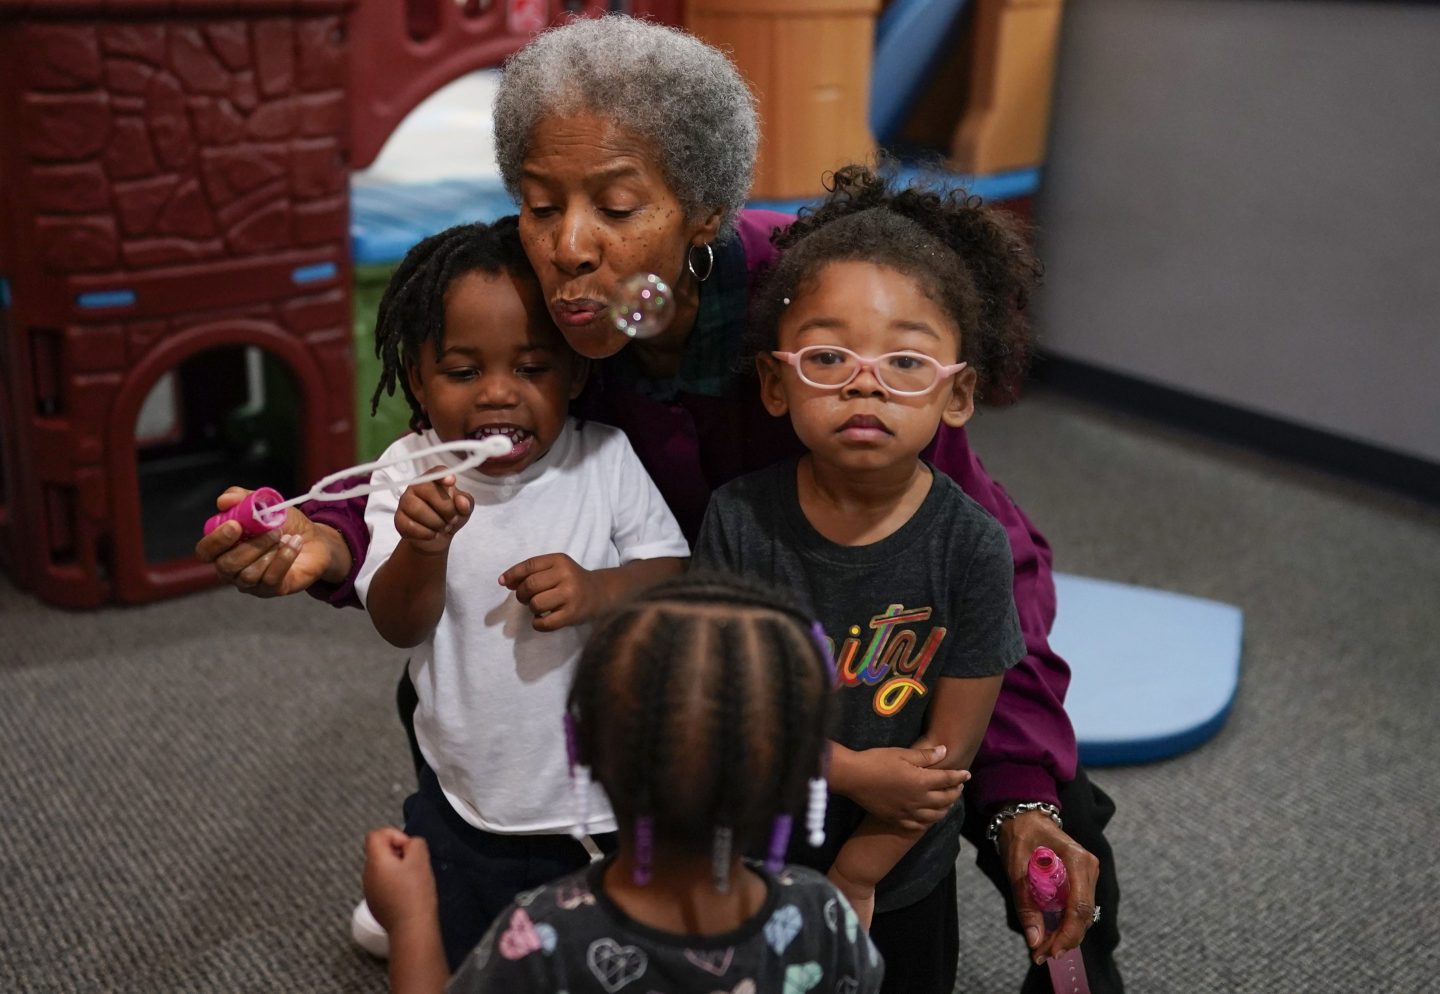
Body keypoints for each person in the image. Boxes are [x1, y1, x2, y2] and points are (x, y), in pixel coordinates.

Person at [194, 16, 1121, 992]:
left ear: (706, 213)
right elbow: (453, 444)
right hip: (700, 665)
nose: (569, 248)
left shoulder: (822, 318)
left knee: (1044, 813)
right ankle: (476, 872)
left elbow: (975, 558)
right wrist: (328, 540)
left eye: (619, 205)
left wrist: (1022, 800)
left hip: (874, 648)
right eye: (540, 205)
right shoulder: (540, 308)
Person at [691, 170, 1030, 994]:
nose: (865, 381)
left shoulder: (973, 549)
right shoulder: (738, 521)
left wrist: (860, 869)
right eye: (828, 355)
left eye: (906, 359)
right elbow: (716, 709)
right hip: (749, 857)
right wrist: (842, 768)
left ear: (957, 397)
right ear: (775, 385)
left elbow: (944, 761)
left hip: (899, 871)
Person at [354, 217, 689, 968]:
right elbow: (398, 624)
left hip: (603, 801)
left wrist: (601, 587)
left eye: (531, 368)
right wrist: (422, 547)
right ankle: (412, 912)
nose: (499, 395)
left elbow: (672, 573)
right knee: (469, 960)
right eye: (465, 372)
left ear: (573, 373)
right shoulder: (408, 471)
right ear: (416, 378)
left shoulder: (603, 459)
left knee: (607, 959)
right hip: (469, 794)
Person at [361, 573, 885, 994]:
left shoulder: (545, 937)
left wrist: (411, 919)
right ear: (799, 774)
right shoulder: (824, 918)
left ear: (582, 748)